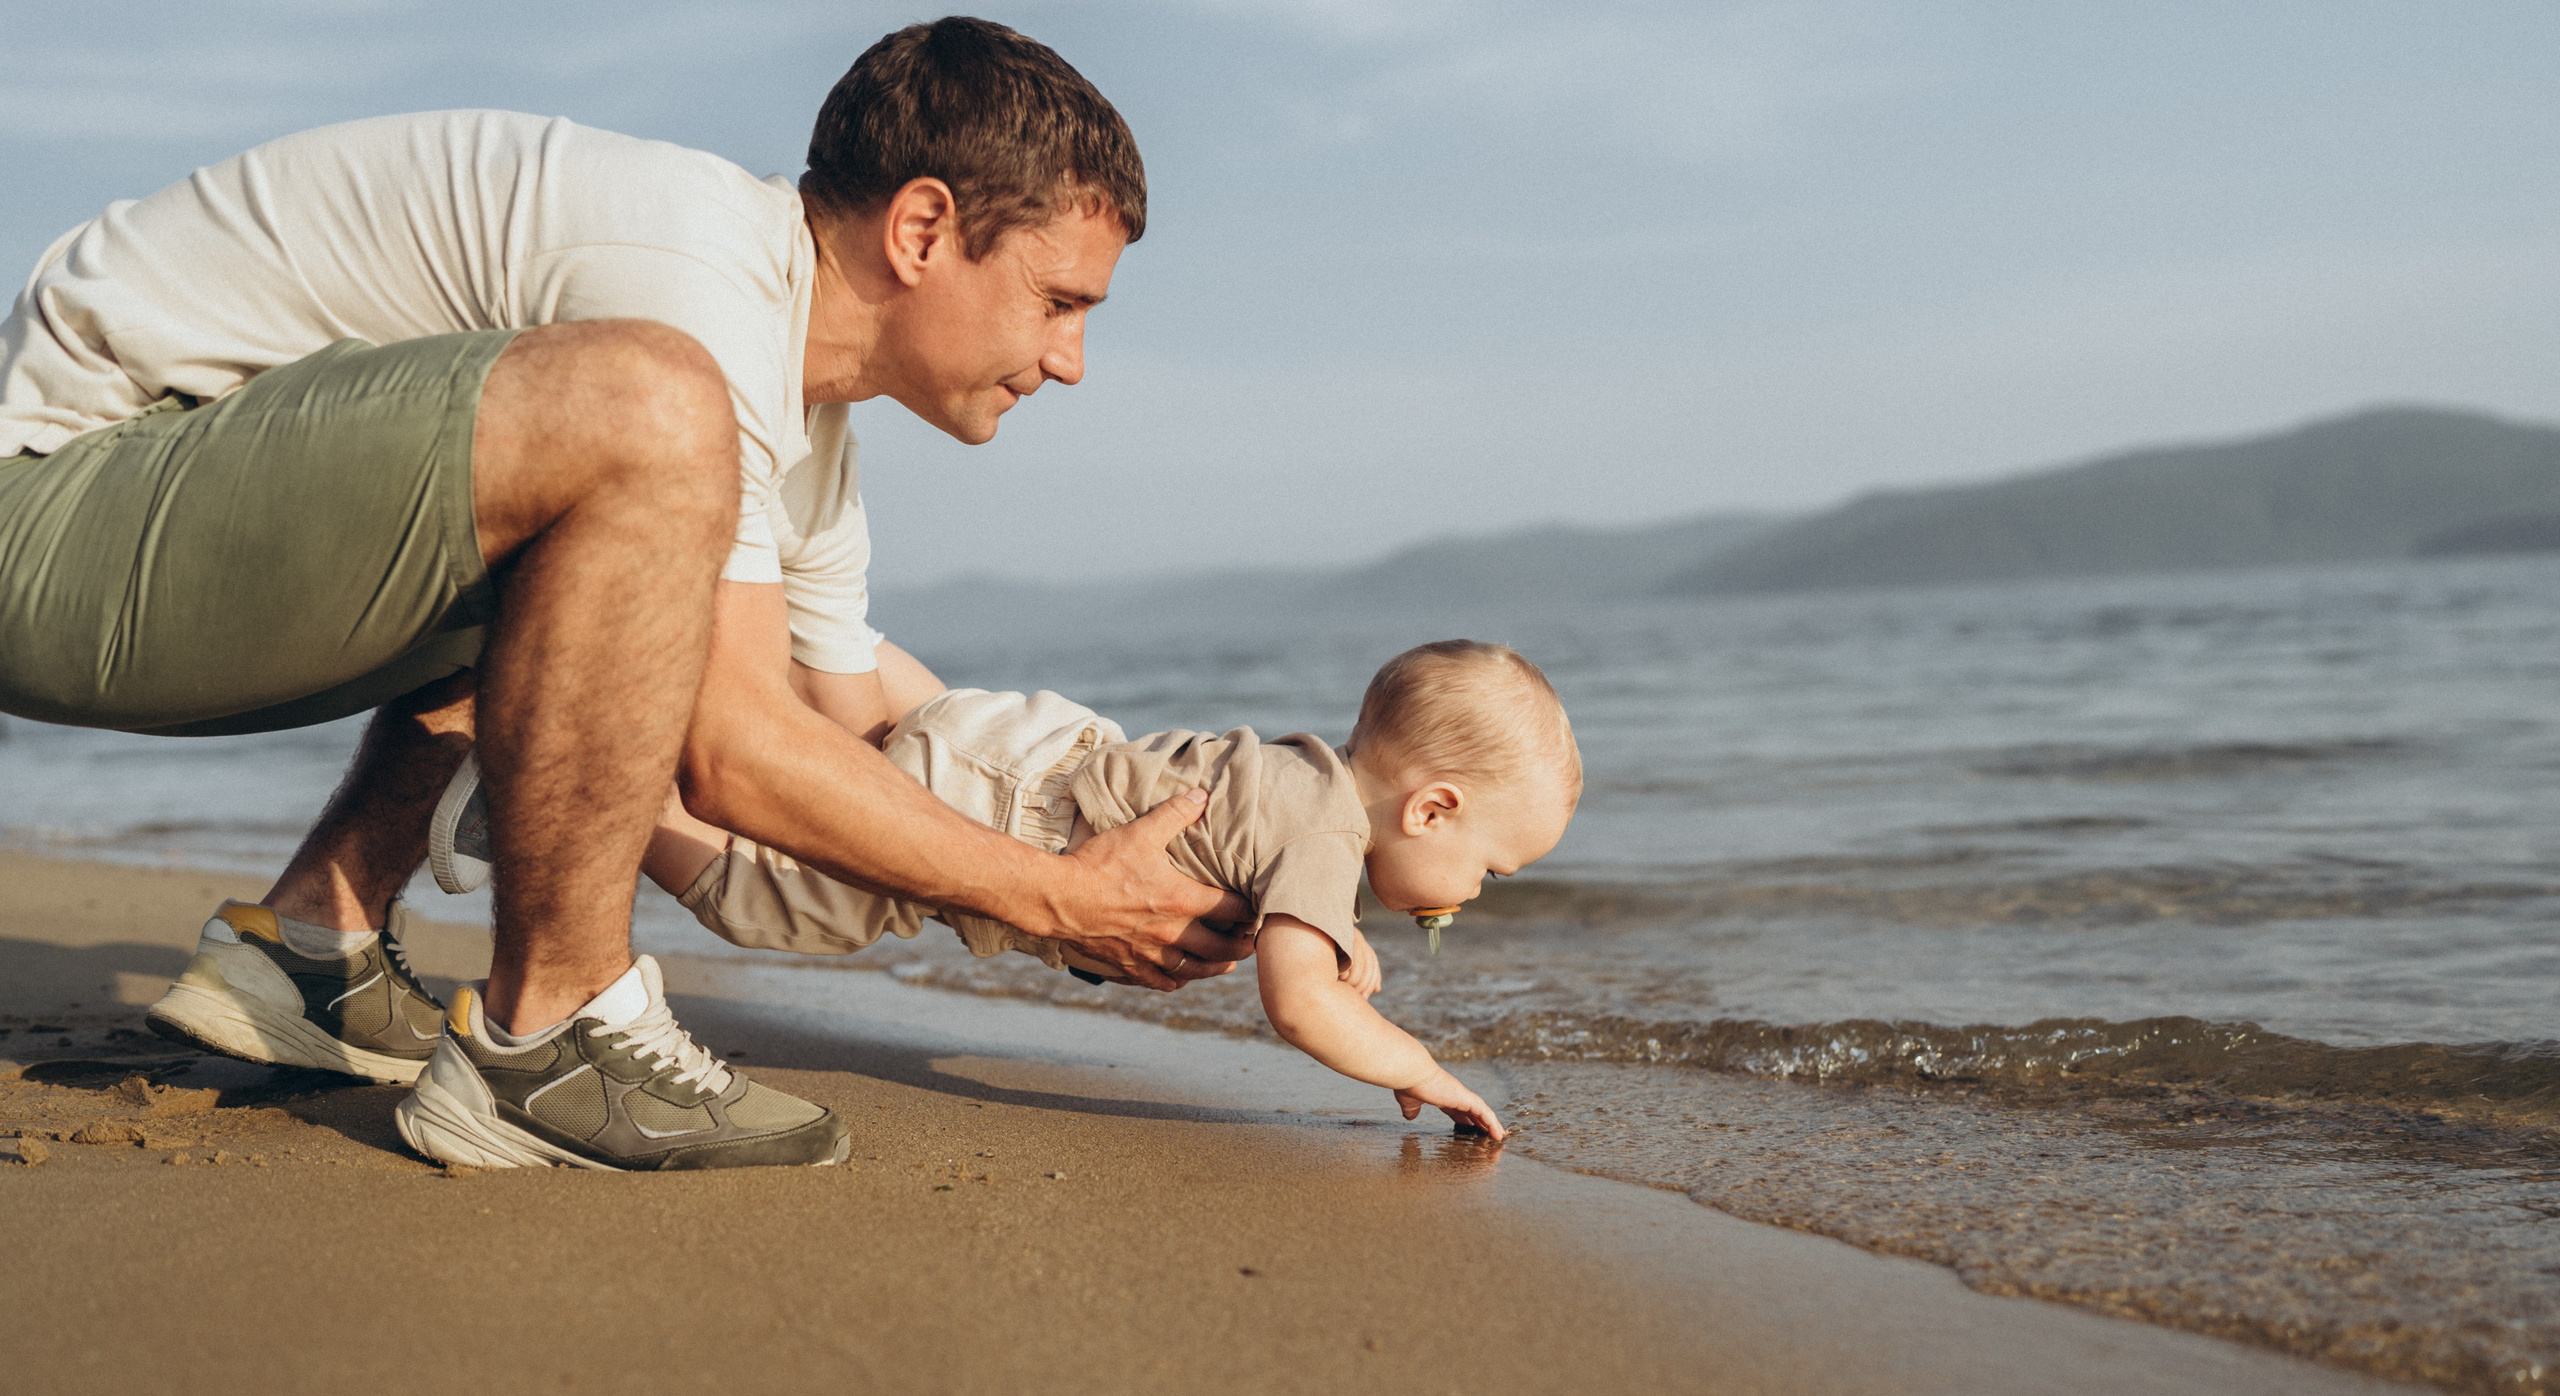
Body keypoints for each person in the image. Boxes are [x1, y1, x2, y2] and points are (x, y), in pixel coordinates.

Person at [0, 19, 1251, 1170]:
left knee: (623, 536)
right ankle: (551, 1033)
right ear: (922, 232)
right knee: (648, 410)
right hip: (53, 520)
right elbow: (732, 750)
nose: (1070, 361)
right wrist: (1048, 896)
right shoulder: (689, 285)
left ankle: (308, 946)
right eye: (1059, 301)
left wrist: (1144, 839)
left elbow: (855, 719)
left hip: (199, 555)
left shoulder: (801, 436)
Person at [408, 641, 1581, 1164]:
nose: (1475, 895)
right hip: (1000, 820)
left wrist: (1345, 952)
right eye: (1491, 870)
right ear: (1429, 809)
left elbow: (1295, 918)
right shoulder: (1326, 836)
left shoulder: (1305, 778)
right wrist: (1418, 1068)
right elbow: (1298, 1008)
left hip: (1021, 740)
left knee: (827, 757)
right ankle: (549, 778)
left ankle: (663, 700)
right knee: (765, 899)